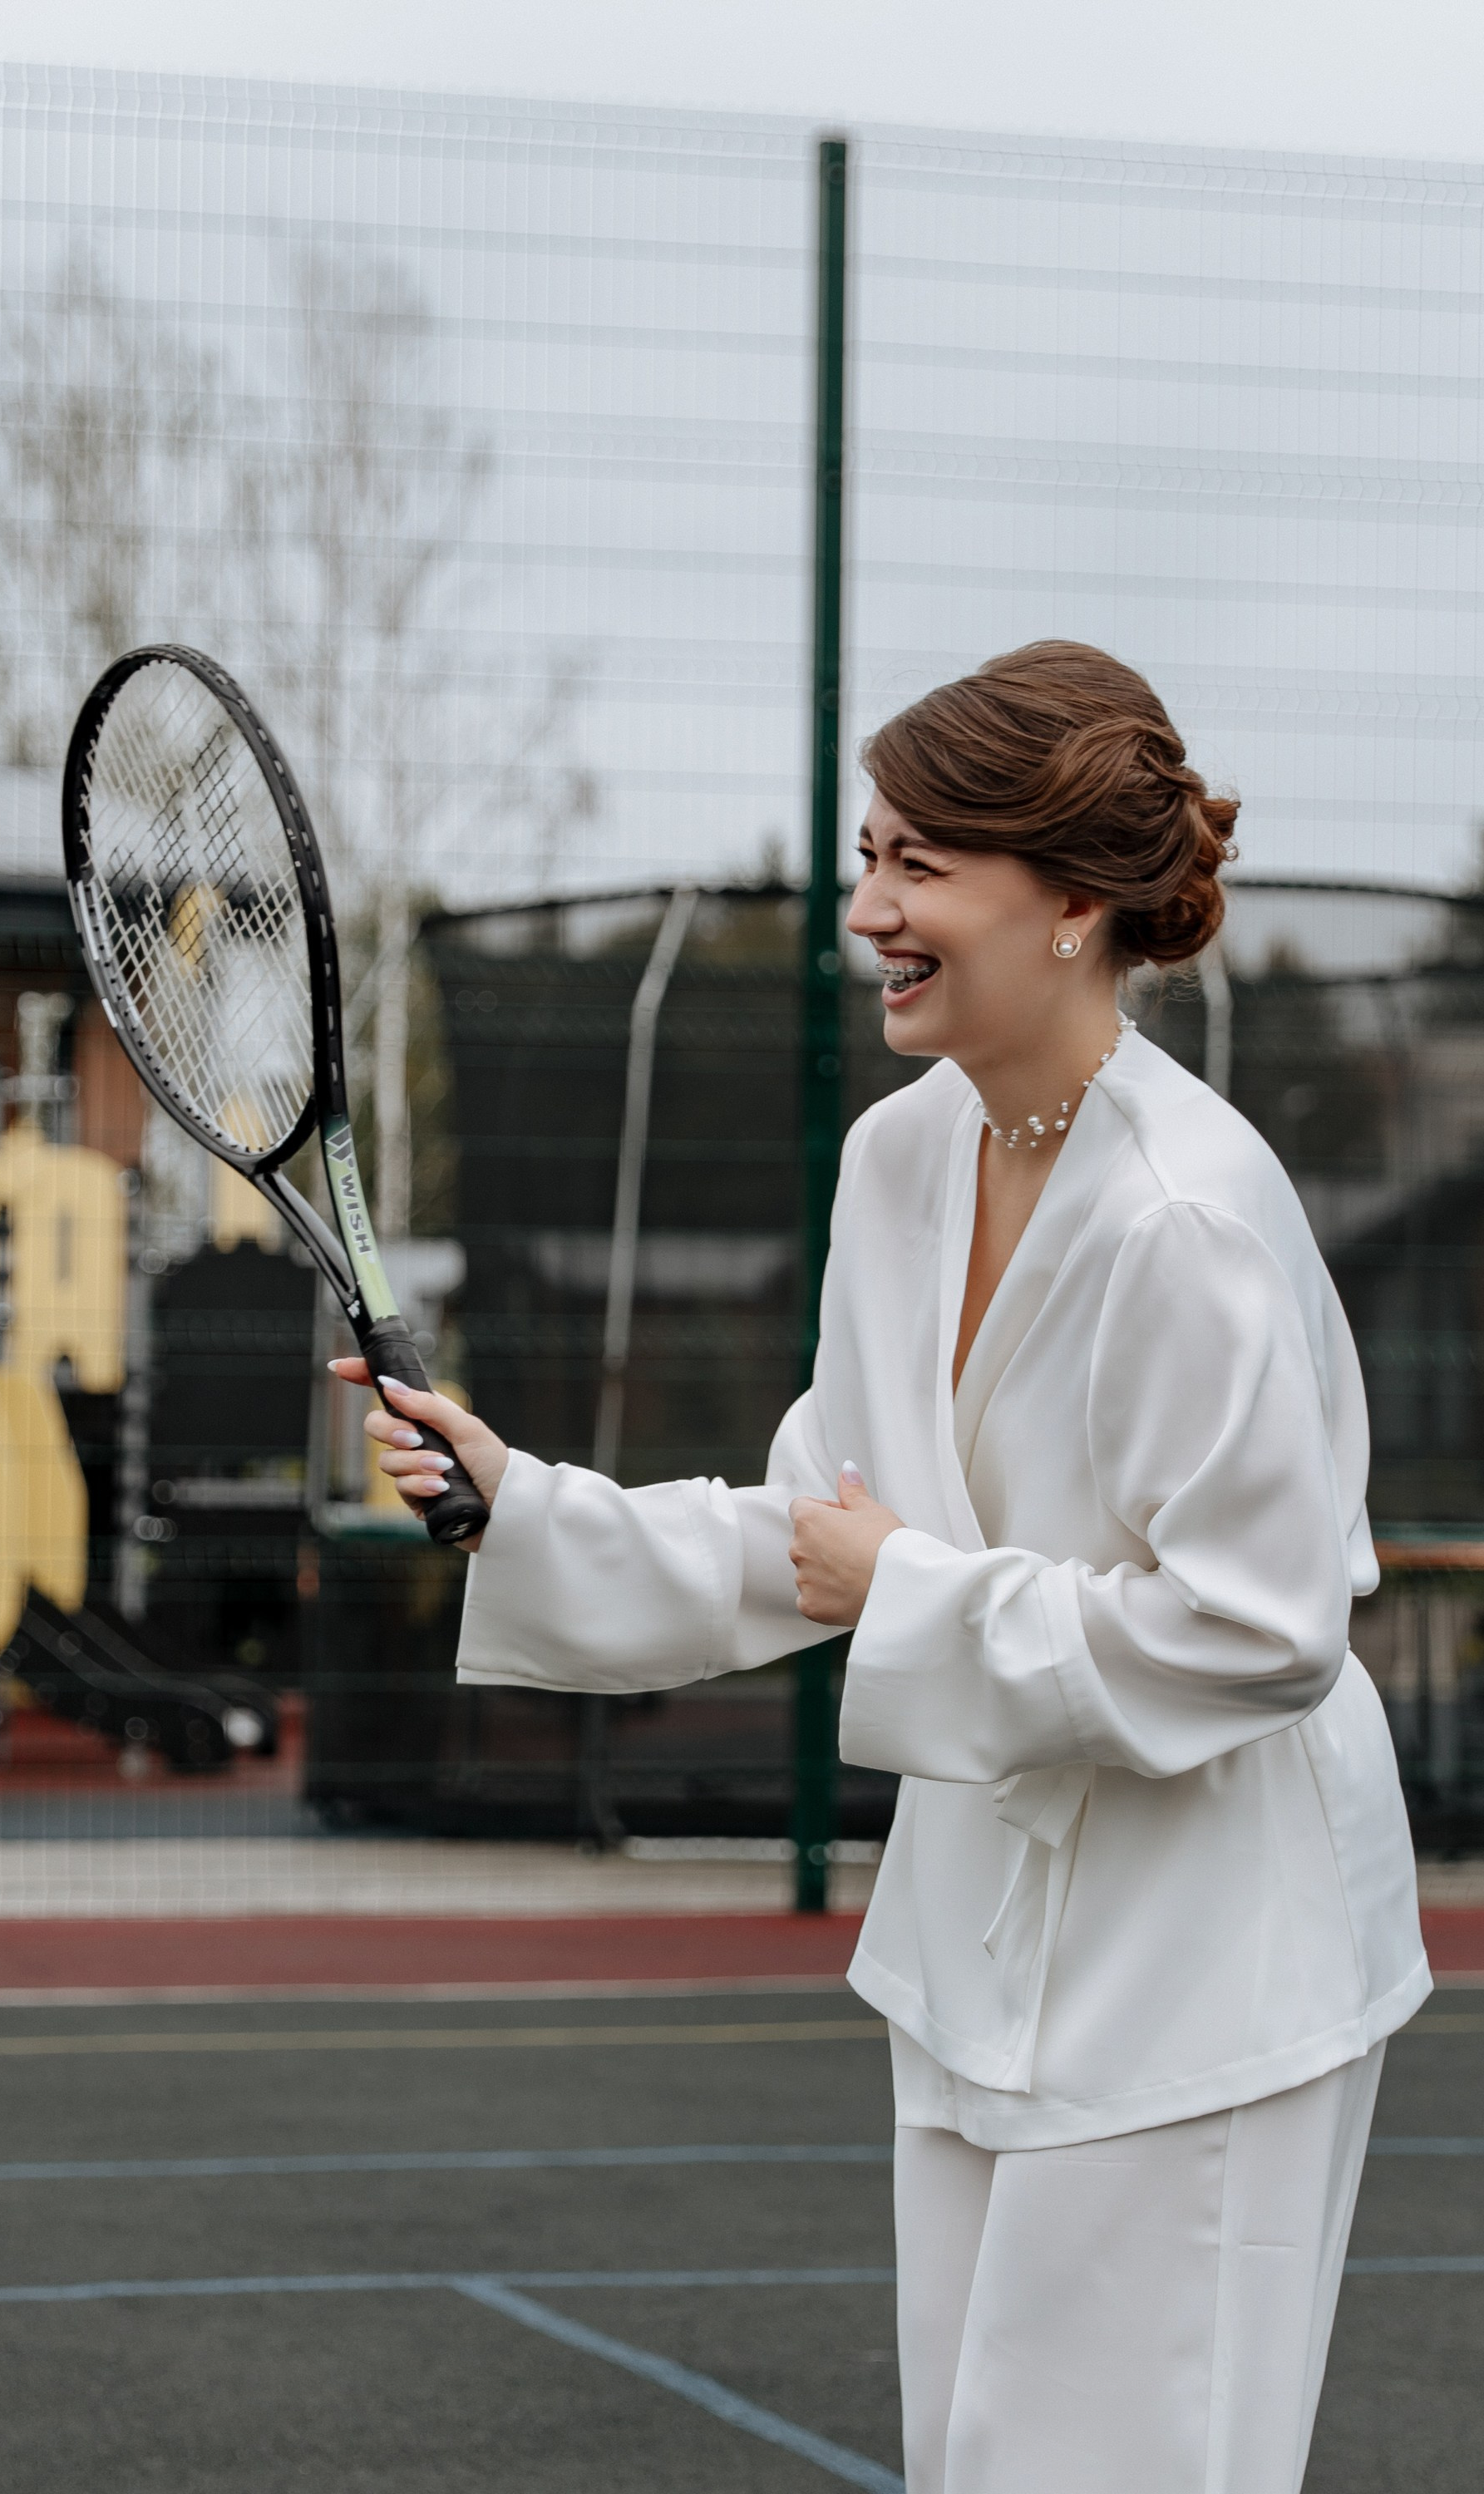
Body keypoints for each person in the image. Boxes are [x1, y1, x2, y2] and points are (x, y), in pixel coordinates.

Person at [335, 640, 1428, 2494]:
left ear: (1073, 903)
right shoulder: (898, 1159)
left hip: (1211, 1973)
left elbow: (1263, 1633)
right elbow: (817, 1524)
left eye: (920, 864)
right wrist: (525, 1504)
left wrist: (910, 1585)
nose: (867, 911)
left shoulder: (1190, 1219)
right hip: (982, 1948)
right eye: (868, 857)